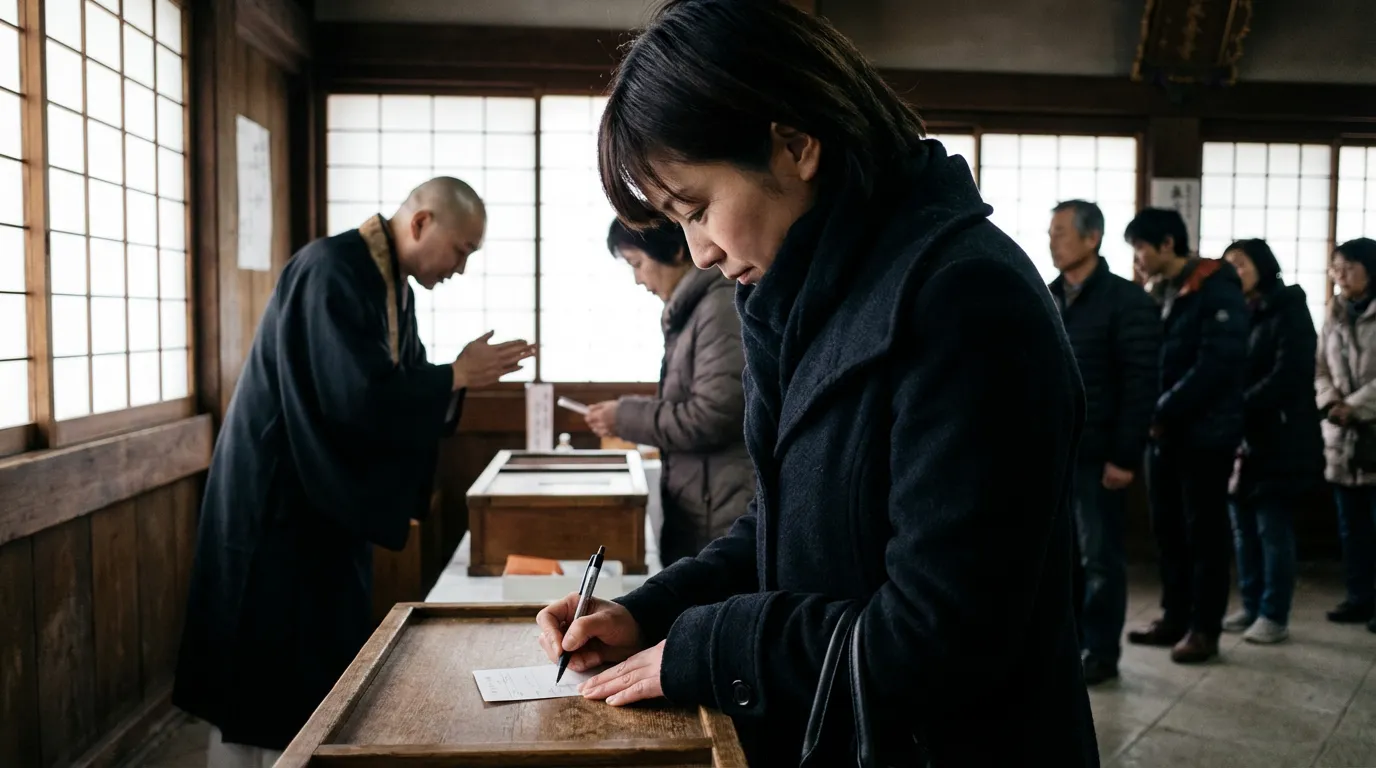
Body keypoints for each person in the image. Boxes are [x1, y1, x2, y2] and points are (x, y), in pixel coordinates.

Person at [536, 2, 1097, 765]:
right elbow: (782, 525)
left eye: (699, 209)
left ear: (794, 146)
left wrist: (706, 645)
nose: (698, 252)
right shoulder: (799, 293)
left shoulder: (965, 299)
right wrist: (649, 612)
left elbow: (940, 636)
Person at [173, 177, 536, 764]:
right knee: (260, 678)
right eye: (462, 250)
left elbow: (397, 389)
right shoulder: (330, 269)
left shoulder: (394, 287)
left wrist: (448, 380)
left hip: (325, 503)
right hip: (278, 503)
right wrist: (454, 377)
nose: (461, 269)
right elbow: (355, 396)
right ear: (421, 223)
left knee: (315, 669)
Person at [585, 220, 752, 564]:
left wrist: (623, 416)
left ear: (676, 251)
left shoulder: (718, 307)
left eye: (637, 264)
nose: (638, 280)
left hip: (722, 508)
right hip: (706, 503)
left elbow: (713, 415)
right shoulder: (691, 309)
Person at [1124, 208, 1247, 664]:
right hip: (1165, 434)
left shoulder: (1217, 286)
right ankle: (1174, 617)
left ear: (1167, 245)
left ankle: (1204, 628)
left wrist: (1161, 408)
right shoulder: (1161, 292)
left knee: (1204, 534)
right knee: (1168, 529)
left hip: (1205, 435)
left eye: (1140, 249)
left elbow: (1217, 364)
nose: (1136, 259)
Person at [1048, 200, 1161, 683]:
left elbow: (1141, 384)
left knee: (1101, 560)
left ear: (1091, 238)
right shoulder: (1047, 294)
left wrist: (1124, 455)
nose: (1052, 240)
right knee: (1060, 559)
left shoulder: (1126, 300)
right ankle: (1064, 647)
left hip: (1101, 456)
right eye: (1050, 232)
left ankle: (1100, 653)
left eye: (1061, 232)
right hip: (1055, 456)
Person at [1219, 239, 1321, 644]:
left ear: (1263, 265)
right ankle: (1251, 603)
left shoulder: (1290, 308)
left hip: (1279, 436)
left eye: (1240, 265)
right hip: (1241, 436)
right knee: (1243, 528)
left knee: (1272, 529)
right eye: (1229, 266)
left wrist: (1239, 404)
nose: (1234, 273)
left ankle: (1274, 613)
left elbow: (1290, 374)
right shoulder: (1238, 311)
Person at [1315, 237, 1376, 631]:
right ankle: (1358, 598)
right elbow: (1319, 366)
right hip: (1341, 436)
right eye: (1336, 266)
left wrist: (1353, 405)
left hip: (1370, 427)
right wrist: (1331, 402)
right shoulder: (1333, 312)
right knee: (1351, 527)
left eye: (1349, 266)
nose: (1340, 274)